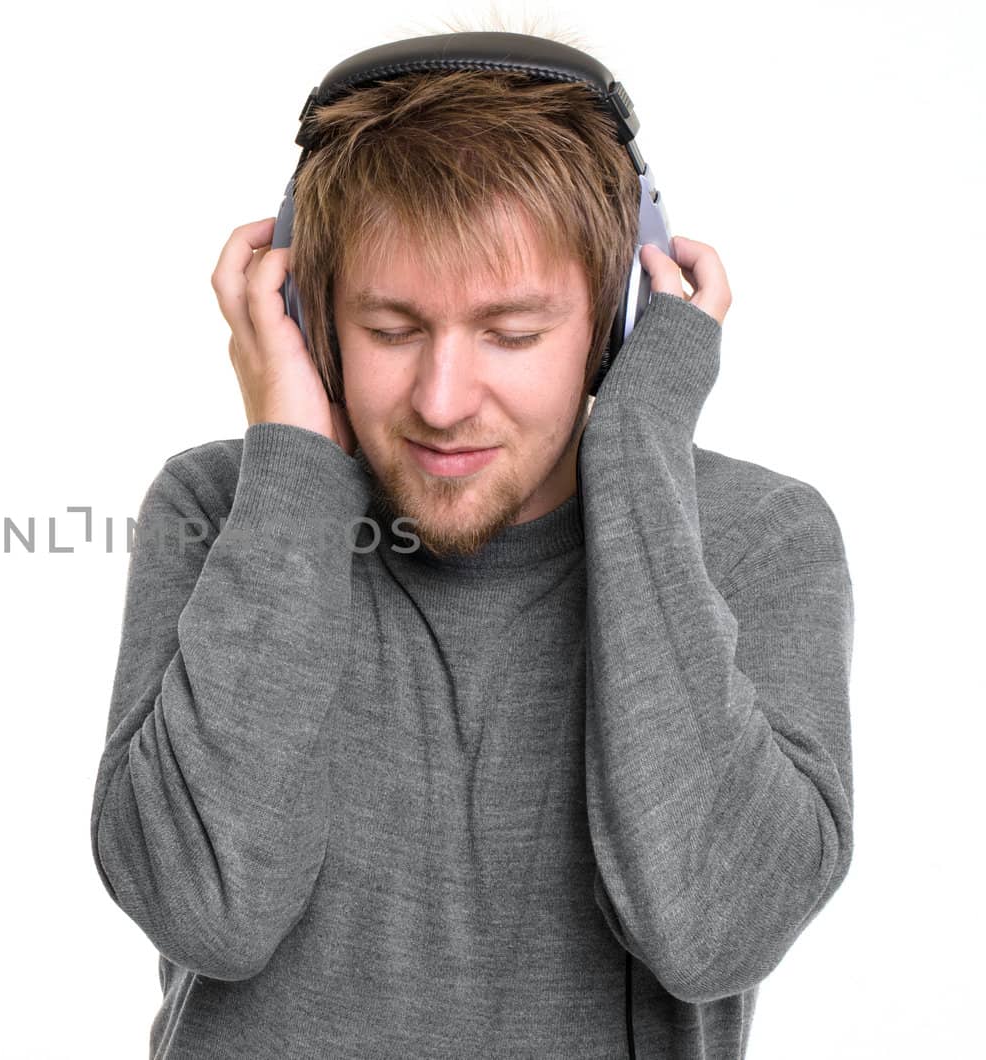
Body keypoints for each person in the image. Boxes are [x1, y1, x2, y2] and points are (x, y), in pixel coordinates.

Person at [88, 36, 855, 1060]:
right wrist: (289, 454)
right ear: (310, 323)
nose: (443, 403)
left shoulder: (757, 537)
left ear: (613, 325)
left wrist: (635, 445)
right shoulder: (224, 507)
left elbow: (710, 928)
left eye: (512, 333)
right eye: (392, 329)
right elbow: (207, 907)